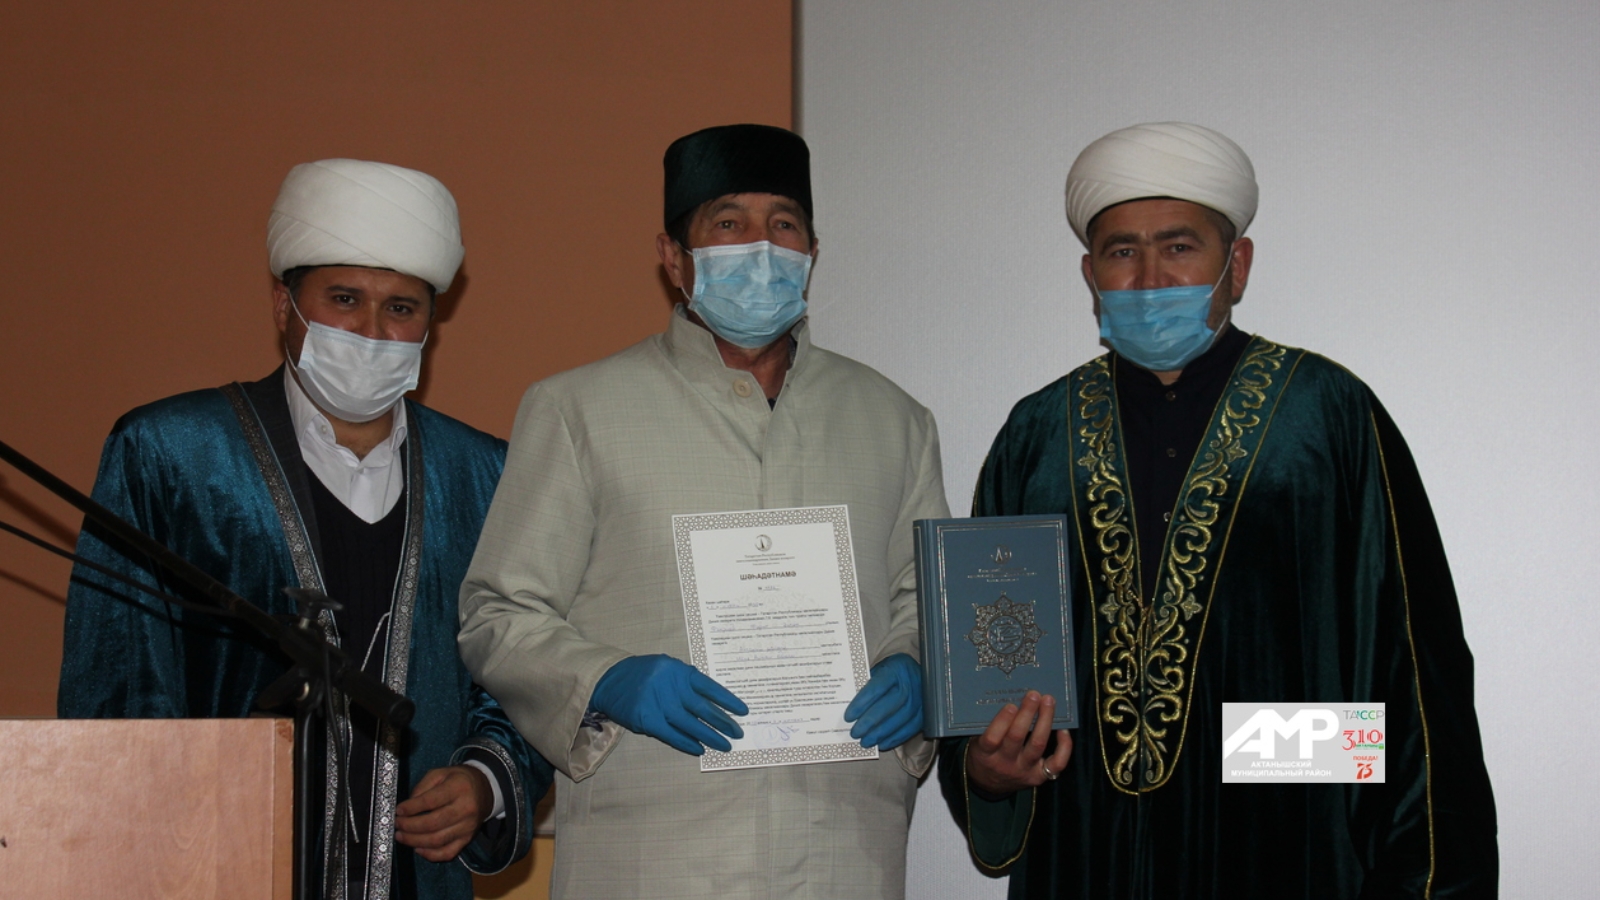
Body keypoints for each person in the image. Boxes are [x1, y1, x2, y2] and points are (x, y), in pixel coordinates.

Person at [938, 122, 1498, 898]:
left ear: (1237, 265)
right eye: (1121, 252)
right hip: (1085, 843)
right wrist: (987, 769)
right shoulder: (1036, 436)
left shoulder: (1325, 416)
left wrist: (1259, 754)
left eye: (1179, 247)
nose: (1149, 279)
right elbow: (985, 678)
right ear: (1090, 274)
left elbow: (1411, 670)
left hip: (1280, 841)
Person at [458, 123, 950, 899]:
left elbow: (924, 596)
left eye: (784, 224)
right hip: (649, 858)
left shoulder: (893, 420)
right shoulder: (579, 411)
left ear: (812, 253)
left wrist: (919, 664)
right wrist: (606, 679)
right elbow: (496, 612)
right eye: (728, 223)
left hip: (842, 853)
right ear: (673, 256)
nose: (761, 246)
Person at [59, 159, 551, 900]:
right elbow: (122, 688)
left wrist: (486, 778)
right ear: (283, 304)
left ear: (431, 323)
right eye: (344, 299)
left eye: (402, 308)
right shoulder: (170, 455)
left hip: (415, 876)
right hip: (216, 868)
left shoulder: (484, 474)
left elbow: (521, 668)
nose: (373, 332)